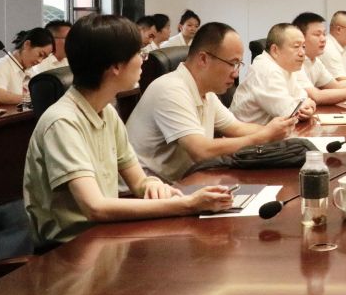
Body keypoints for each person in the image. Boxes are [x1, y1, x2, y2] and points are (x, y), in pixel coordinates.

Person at [23, 15, 233, 248]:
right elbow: (95, 207)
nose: (143, 60)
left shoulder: (107, 112)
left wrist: (152, 185)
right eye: (138, 53)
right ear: (115, 66)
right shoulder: (62, 122)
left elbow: (139, 182)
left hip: (105, 237)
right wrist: (189, 204)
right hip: (69, 250)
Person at [126, 22, 296, 182]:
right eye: (232, 63)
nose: (236, 73)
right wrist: (263, 136)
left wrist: (279, 131)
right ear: (203, 59)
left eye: (239, 64)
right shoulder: (171, 89)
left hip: (181, 184)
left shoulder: (207, 93)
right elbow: (201, 150)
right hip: (143, 193)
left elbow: (236, 128)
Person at [231, 23, 317, 124]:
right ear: (275, 50)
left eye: (304, 47)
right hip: (244, 132)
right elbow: (289, 114)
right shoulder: (266, 69)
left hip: (265, 131)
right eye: (296, 46)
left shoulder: (286, 66)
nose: (302, 53)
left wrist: (308, 107)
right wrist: (306, 106)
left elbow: (302, 99)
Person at [291, 12, 346, 105]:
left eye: (324, 34)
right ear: (300, 38)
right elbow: (317, 96)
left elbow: (335, 86)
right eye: (317, 34)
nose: (323, 39)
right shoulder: (294, 62)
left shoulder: (315, 61)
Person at [0, 27, 54, 106]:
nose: (40, 61)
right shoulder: (0, 65)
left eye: (44, 58)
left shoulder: (31, 70)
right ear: (27, 45)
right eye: (40, 54)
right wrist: (32, 99)